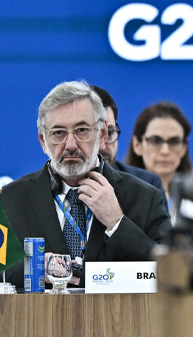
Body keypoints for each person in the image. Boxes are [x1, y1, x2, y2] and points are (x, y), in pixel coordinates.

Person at [0, 81, 170, 288]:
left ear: (102, 135)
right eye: (58, 133)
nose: (70, 145)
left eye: (81, 130)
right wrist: (33, 267)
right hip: (39, 319)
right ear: (43, 141)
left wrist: (117, 223)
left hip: (120, 319)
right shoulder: (10, 199)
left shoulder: (145, 198)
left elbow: (170, 273)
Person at [90, 85, 164, 193]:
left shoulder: (147, 186)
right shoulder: (56, 185)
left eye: (109, 133)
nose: (102, 146)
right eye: (93, 135)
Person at [124, 101, 192, 202]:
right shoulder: (118, 197)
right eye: (155, 141)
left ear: (184, 147)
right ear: (137, 145)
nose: (165, 151)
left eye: (174, 141)